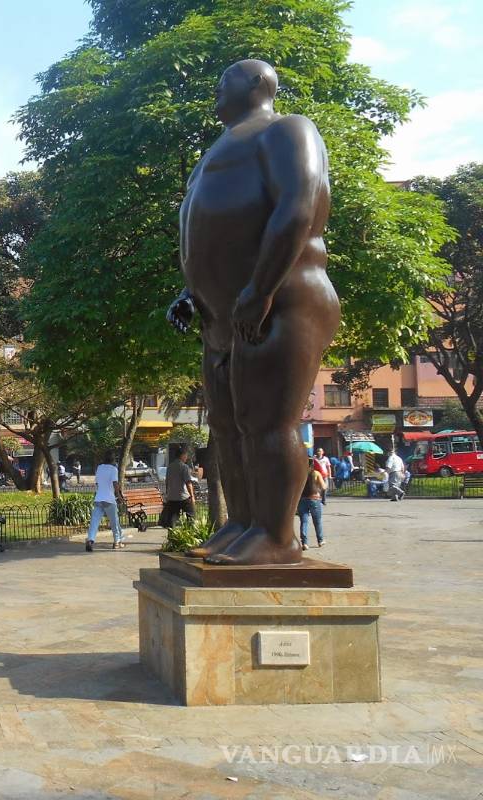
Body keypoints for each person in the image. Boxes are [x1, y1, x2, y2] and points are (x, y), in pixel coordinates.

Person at [168, 60, 339, 566]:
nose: (216, 90)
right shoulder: (210, 158)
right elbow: (202, 237)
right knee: (225, 425)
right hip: (220, 317)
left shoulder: (288, 130)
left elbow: (298, 205)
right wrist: (188, 292)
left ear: (258, 85)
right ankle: (242, 524)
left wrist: (261, 288)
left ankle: (276, 537)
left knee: (268, 423)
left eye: (225, 81)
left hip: (282, 298)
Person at [86, 451, 124, 551]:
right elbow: (115, 483)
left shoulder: (99, 468)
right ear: (113, 459)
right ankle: (117, 542)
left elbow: (97, 483)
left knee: (94, 521)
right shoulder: (113, 469)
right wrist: (119, 495)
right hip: (109, 499)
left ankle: (90, 540)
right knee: (114, 522)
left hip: (98, 498)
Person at [162, 450, 197, 529]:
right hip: (183, 496)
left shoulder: (170, 467)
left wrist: (168, 494)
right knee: (191, 515)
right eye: (186, 455)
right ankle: (190, 532)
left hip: (172, 497)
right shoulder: (184, 467)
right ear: (182, 455)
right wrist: (192, 496)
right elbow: (188, 482)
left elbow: (167, 482)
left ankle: (172, 535)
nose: (187, 458)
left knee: (172, 518)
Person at [297, 457, 326, 549]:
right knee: (317, 521)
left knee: (304, 521)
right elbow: (324, 487)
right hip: (314, 499)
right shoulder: (316, 473)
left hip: (302, 499)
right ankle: (320, 541)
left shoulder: (300, 474)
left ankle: (305, 543)